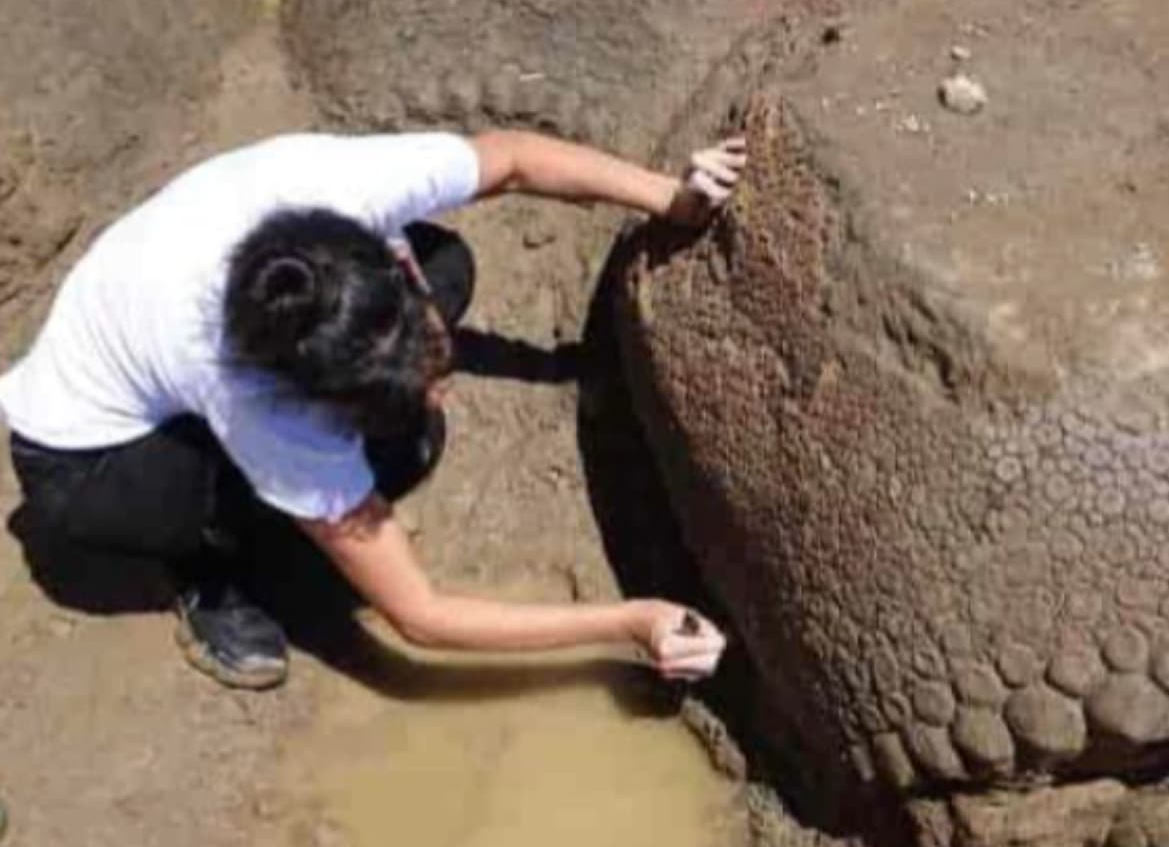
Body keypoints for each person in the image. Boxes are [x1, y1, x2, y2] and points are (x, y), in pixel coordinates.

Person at [0, 129, 743, 690]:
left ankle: (303, 492)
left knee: (449, 266)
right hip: (83, 456)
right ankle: (207, 576)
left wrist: (670, 196)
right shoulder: (257, 403)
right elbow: (419, 616)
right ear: (313, 398)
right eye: (413, 385)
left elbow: (513, 159)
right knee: (202, 505)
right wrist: (629, 622)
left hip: (189, 326)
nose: (439, 391)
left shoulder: (343, 184)